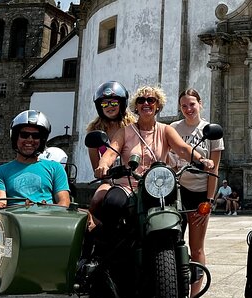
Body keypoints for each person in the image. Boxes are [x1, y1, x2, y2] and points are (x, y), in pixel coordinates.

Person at [0, 110, 71, 280]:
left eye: (36, 136)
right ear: (15, 137)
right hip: (10, 222)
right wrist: (23, 206)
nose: (30, 140)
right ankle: (5, 257)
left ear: (42, 140)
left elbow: (64, 202)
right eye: (24, 134)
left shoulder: (55, 168)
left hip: (48, 220)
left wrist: (44, 208)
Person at [92, 85, 214, 226]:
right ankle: (110, 245)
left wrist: (201, 159)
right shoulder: (125, 132)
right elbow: (111, 152)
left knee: (179, 216)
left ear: (158, 106)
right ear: (135, 106)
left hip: (158, 187)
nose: (146, 103)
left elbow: (183, 149)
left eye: (151, 100)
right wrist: (103, 164)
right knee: (113, 204)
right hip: (128, 186)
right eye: (141, 100)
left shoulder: (166, 130)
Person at [169, 88, 224, 298]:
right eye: (184, 105)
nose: (188, 109)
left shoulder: (210, 131)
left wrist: (209, 201)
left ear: (200, 104)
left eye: (192, 104)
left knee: (197, 247)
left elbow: (214, 169)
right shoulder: (173, 129)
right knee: (171, 245)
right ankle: (175, 297)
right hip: (176, 192)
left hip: (200, 193)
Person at [86, 81, 136, 229]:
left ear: (122, 103)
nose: (109, 107)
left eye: (113, 102)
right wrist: (103, 172)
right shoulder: (94, 131)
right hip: (110, 181)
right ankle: (93, 239)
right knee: (97, 199)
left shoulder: (133, 127)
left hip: (133, 179)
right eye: (104, 104)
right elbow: (97, 168)